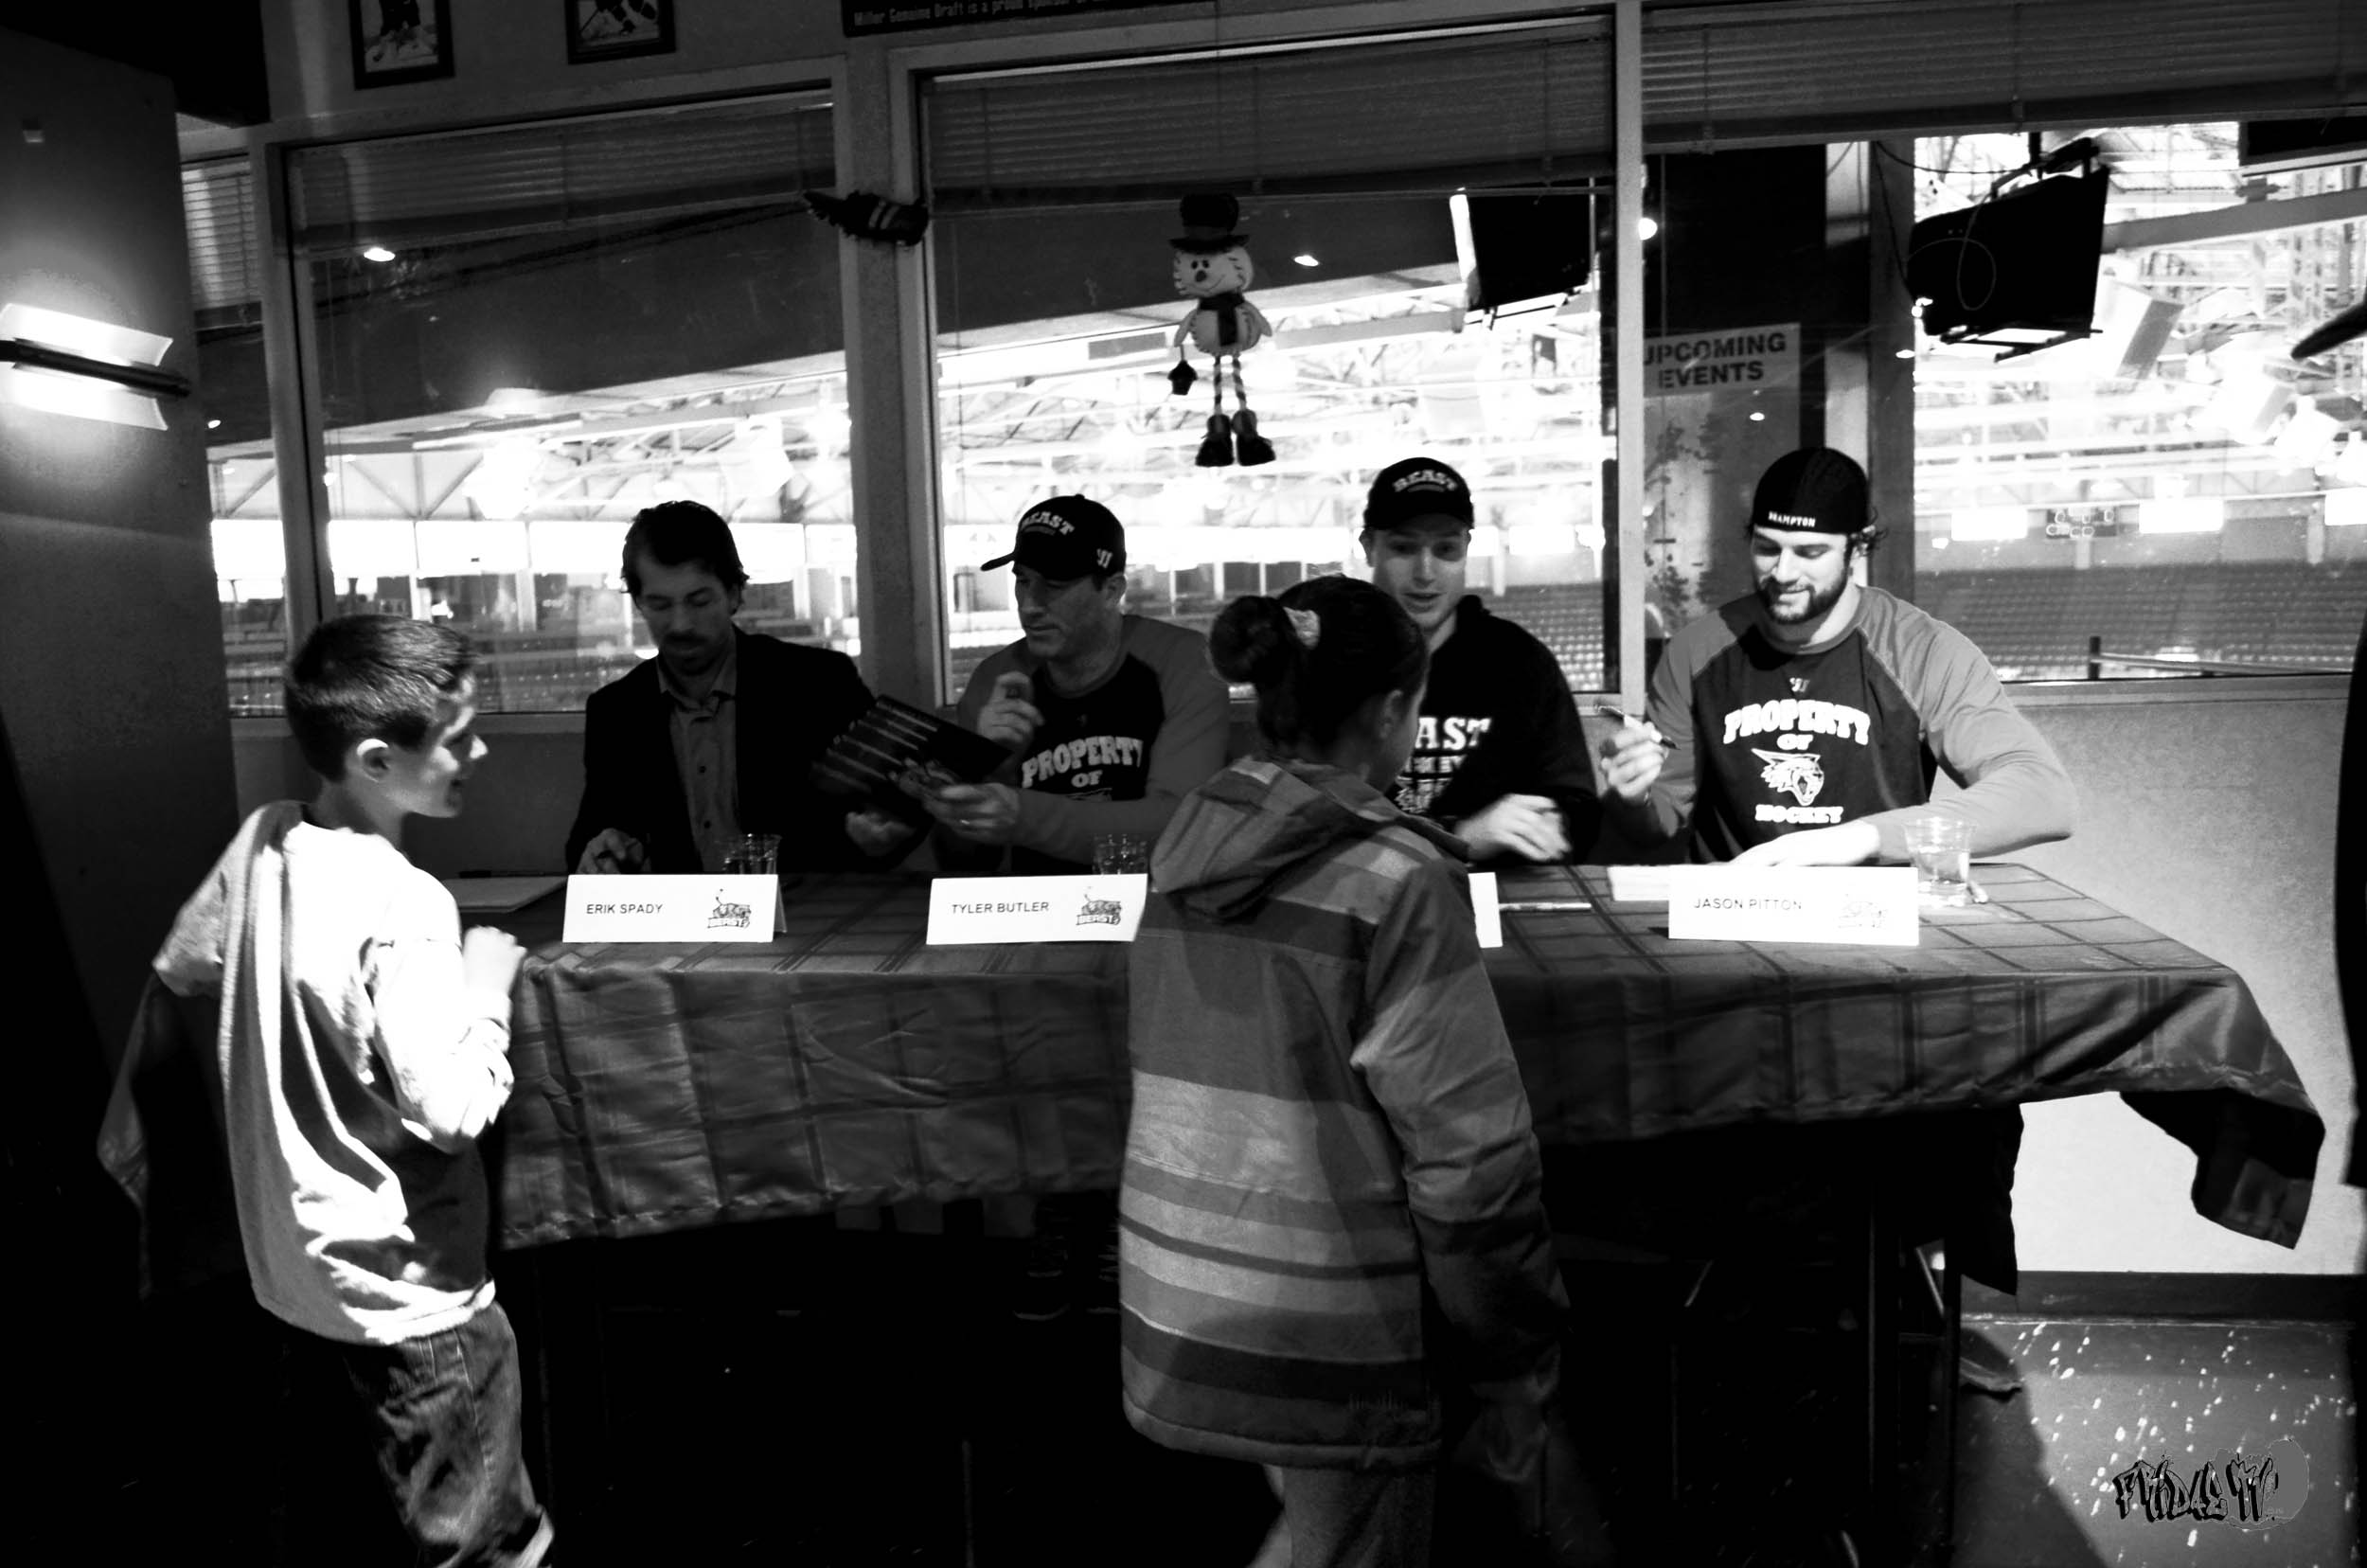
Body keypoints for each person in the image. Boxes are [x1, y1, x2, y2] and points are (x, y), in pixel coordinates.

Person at [1123, 575, 1573, 1568]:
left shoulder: (1184, 849)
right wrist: (1514, 1352)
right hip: (1336, 1325)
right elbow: (1470, 1165)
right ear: (1391, 710)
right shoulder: (1396, 879)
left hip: (1187, 1291)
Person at [146, 615, 552, 1565]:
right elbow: (453, 1111)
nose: (478, 753)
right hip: (415, 1303)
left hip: (296, 1280)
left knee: (344, 1531)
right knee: (483, 1545)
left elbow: (186, 963)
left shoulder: (262, 838)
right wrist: (484, 989)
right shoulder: (408, 902)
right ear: (376, 759)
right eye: (458, 737)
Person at [1598, 445, 2074, 864]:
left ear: (1857, 548)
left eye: (1810, 553)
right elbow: (1659, 823)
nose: (1783, 572)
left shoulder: (1923, 651)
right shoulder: (1697, 650)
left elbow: (2044, 796)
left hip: (1870, 911)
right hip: (1734, 905)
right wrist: (1634, 798)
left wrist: (1862, 838)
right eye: (1767, 548)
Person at [564, 499, 911, 875]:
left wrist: (876, 837)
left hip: (804, 905)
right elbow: (591, 838)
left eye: (699, 601)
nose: (681, 624)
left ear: (734, 594)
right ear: (637, 603)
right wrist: (599, 853)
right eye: (660, 605)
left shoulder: (818, 682)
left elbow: (892, 807)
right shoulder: (617, 711)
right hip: (682, 913)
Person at [928, 494, 1230, 875]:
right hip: (1033, 903)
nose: (1030, 605)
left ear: (1111, 590)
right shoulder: (997, 677)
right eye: (1023, 581)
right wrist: (986, 768)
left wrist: (1022, 815)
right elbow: (960, 863)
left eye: (1054, 585)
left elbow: (1178, 828)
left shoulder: (1180, 661)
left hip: (1155, 899)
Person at [1361, 456, 1601, 864]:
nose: (1425, 572)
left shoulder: (1519, 662)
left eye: (1446, 549)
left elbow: (1577, 812)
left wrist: (1548, 824)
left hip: (1498, 890)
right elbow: (1307, 824)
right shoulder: (1339, 658)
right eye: (1404, 548)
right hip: (1368, 890)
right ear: (1369, 547)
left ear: (1467, 549)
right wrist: (1459, 837)